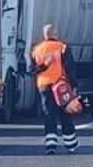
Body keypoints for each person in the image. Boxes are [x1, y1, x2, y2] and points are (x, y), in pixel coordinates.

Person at [30, 22, 80, 153]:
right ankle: (71, 145)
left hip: (44, 86)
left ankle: (50, 144)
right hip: (61, 85)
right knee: (66, 113)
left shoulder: (36, 50)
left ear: (45, 35)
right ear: (56, 34)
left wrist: (44, 66)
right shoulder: (63, 47)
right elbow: (70, 69)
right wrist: (74, 86)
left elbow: (32, 70)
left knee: (49, 114)